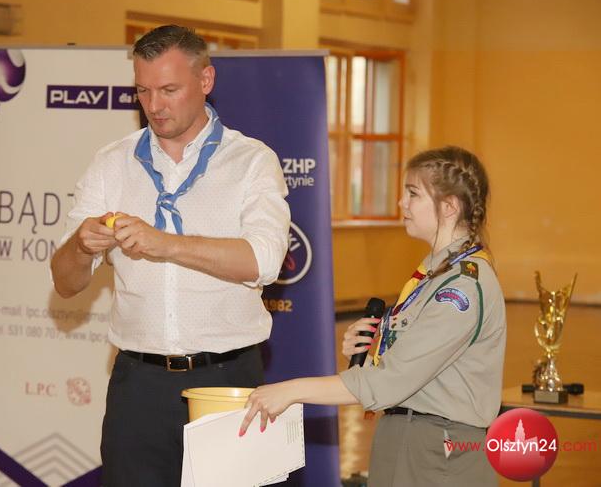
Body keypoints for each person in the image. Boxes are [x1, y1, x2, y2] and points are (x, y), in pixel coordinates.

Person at [50, 25, 290, 486]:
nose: (154, 105)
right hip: (138, 384)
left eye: (168, 90)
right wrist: (79, 246)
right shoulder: (111, 162)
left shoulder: (251, 161)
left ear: (206, 80)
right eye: (143, 91)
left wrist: (167, 244)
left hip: (228, 380)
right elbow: (65, 283)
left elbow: (263, 261)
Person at [240, 146, 506, 487]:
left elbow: (389, 382)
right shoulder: (436, 274)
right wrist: (372, 350)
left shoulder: (461, 287)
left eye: (413, 194)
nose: (401, 203)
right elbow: (416, 369)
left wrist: (290, 391)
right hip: (408, 438)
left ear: (449, 206)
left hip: (439, 453)